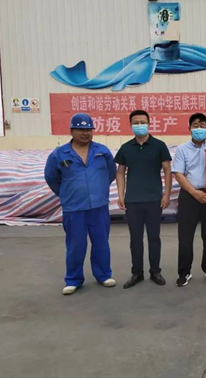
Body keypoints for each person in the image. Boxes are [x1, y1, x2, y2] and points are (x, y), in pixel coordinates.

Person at [44, 113, 117, 295]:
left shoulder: (102, 151)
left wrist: (98, 189)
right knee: (75, 245)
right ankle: (73, 279)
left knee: (101, 242)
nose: (85, 133)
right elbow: (51, 178)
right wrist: (67, 193)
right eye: (80, 129)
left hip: (98, 206)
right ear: (71, 131)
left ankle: (103, 275)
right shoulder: (59, 154)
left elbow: (111, 173)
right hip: (74, 208)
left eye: (88, 129)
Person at [115, 110, 172, 289]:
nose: (140, 125)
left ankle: (155, 271)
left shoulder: (159, 146)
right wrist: (121, 194)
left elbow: (167, 171)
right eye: (136, 122)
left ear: (149, 123)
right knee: (135, 239)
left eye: (143, 122)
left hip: (154, 199)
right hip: (133, 200)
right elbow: (120, 172)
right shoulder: (126, 148)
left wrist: (166, 194)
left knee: (154, 237)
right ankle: (137, 273)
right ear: (131, 125)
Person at [172, 113, 206, 287]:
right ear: (189, 128)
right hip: (189, 195)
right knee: (185, 237)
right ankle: (184, 272)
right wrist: (194, 192)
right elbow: (178, 173)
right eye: (195, 125)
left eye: (202, 125)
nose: (198, 128)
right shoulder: (182, 149)